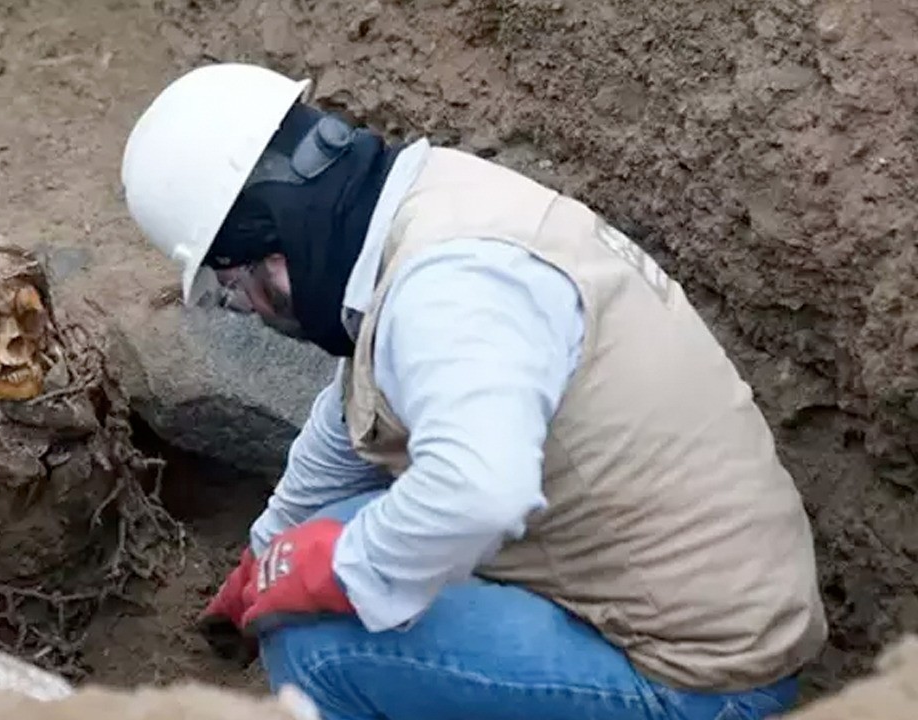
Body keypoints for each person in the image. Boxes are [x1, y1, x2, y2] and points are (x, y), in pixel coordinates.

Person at [119, 62, 828, 720]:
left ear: (273, 240)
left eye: (234, 285)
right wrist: (266, 551)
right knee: (337, 534)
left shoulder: (449, 289)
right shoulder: (432, 209)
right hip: (695, 595)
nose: (247, 308)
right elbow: (351, 413)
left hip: (698, 680)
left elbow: (480, 490)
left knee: (315, 644)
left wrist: (334, 568)